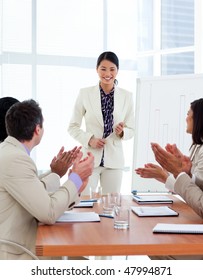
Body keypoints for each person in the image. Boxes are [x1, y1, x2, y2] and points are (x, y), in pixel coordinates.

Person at [0, 99, 94, 260]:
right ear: (38, 129)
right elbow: (49, 212)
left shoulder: (9, 151)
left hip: (20, 243)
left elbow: (32, 189)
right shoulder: (16, 159)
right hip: (18, 253)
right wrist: (75, 178)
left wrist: (59, 175)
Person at [68, 51, 135, 195]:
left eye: (112, 69)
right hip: (89, 159)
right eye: (103, 69)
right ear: (97, 69)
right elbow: (72, 127)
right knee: (85, 203)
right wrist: (89, 139)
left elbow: (132, 129)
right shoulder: (85, 93)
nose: (107, 73)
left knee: (110, 205)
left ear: (117, 70)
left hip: (114, 161)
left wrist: (122, 132)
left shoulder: (127, 96)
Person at [0, 96, 81, 192]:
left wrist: (54, 171)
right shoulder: (15, 158)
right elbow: (39, 198)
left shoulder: (9, 151)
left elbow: (30, 184)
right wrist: (74, 181)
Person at [135, 98, 203, 193]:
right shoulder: (197, 145)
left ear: (198, 118)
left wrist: (165, 176)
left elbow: (196, 191)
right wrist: (175, 168)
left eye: (188, 114)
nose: (186, 118)